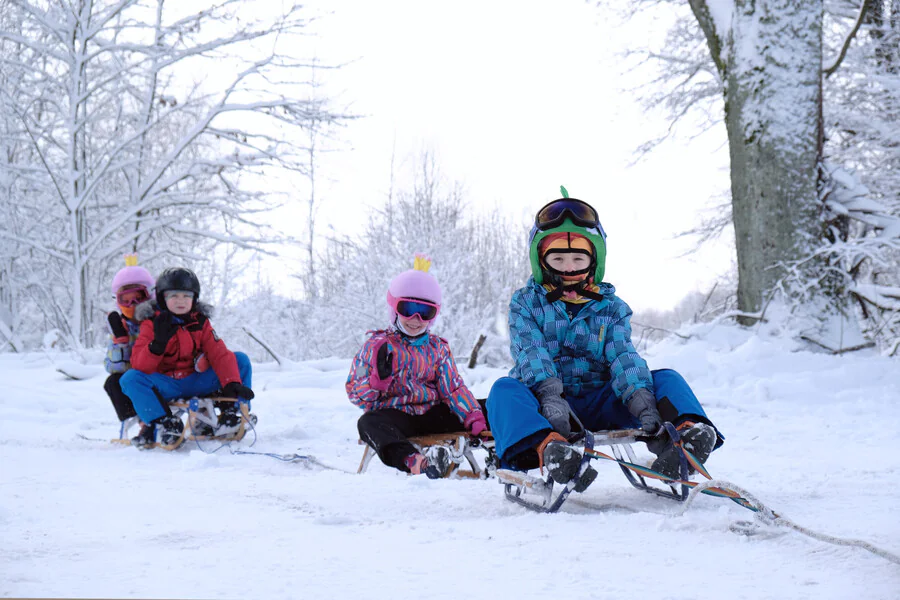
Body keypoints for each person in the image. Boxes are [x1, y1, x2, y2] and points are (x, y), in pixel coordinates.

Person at [486, 188, 724, 489]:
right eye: (558, 258)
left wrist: (641, 401)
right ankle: (551, 450)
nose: (569, 267)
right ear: (542, 261)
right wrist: (548, 397)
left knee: (666, 379)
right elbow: (531, 351)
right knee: (504, 391)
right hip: (547, 407)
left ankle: (684, 439)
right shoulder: (526, 303)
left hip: (601, 399)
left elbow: (622, 355)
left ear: (593, 261)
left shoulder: (611, 307)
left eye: (577, 258)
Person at [346, 254, 488, 478]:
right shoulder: (376, 347)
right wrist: (376, 383)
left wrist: (473, 414)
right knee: (368, 423)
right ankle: (414, 460)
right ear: (394, 308)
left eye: (425, 312)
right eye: (408, 308)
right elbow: (355, 393)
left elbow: (452, 388)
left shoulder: (437, 348)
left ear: (433, 315)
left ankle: (509, 448)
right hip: (397, 417)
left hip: (432, 414)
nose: (416, 319)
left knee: (491, 405)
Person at [120, 267, 255, 449]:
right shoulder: (151, 323)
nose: (181, 301)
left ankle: (231, 413)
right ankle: (165, 422)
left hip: (196, 379)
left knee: (239, 360)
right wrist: (157, 345)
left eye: (186, 296)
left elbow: (219, 353)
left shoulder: (200, 322)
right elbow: (140, 364)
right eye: (174, 296)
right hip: (167, 384)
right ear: (162, 298)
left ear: (194, 298)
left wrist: (232, 383)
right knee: (130, 379)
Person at [104, 254, 154, 425]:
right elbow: (111, 367)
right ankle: (137, 418)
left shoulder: (158, 320)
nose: (132, 304)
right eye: (125, 300)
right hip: (134, 376)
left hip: (158, 373)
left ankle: (151, 418)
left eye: (138, 298)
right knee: (113, 382)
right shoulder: (122, 326)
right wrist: (121, 343)